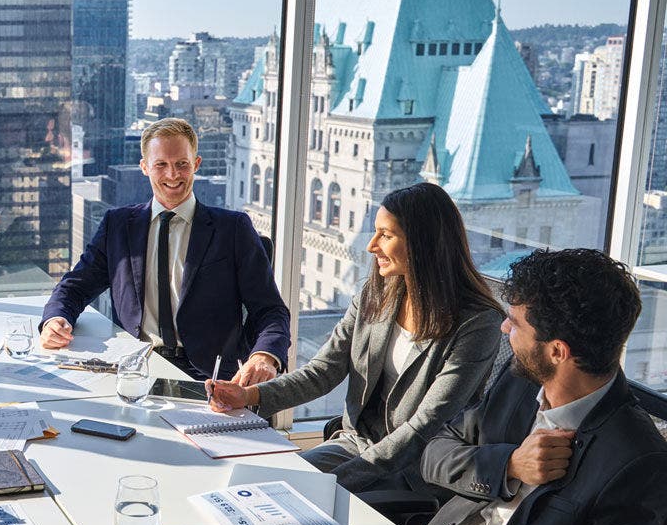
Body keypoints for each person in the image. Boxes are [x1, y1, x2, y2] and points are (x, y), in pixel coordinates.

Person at [421, 248, 667, 525]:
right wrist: (509, 465)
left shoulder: (639, 462)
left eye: (515, 322)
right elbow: (434, 451)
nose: (503, 329)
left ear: (557, 351)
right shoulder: (519, 384)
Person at [207, 183, 503, 495]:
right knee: (260, 487)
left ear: (423, 244)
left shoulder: (478, 323)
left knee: (287, 495)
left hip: (417, 468)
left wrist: (332, 483)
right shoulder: (374, 295)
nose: (372, 245)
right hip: (355, 445)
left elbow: (422, 428)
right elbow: (322, 371)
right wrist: (249, 396)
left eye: (386, 235)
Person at [40, 117, 290, 381]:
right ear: (145, 167)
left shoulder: (233, 229)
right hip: (135, 369)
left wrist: (265, 356)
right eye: (161, 165)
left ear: (196, 164)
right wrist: (55, 319)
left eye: (182, 164)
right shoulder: (118, 226)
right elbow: (76, 287)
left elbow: (270, 310)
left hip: (211, 378)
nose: (172, 175)